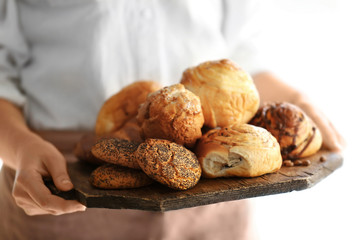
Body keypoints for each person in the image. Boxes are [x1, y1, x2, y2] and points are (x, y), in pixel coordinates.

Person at [0, 0, 344, 239]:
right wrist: (20, 146)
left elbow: (242, 57)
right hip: (63, 175)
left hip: (210, 175)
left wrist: (297, 103)